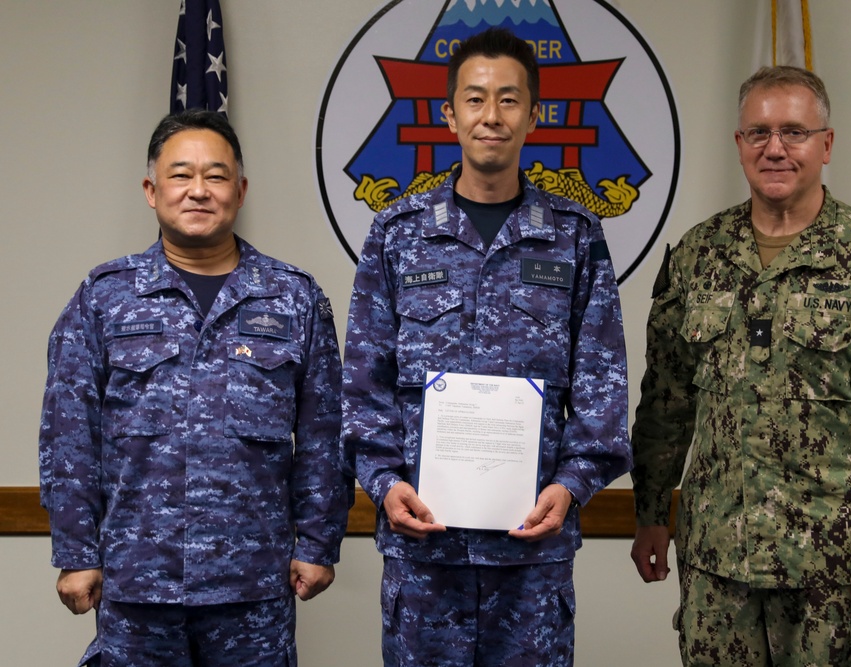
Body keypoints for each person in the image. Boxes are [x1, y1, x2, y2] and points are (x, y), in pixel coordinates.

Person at [629, 65, 851, 666]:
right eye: (757, 133)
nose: (774, 148)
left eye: (793, 132)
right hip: (717, 572)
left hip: (834, 575)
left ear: (826, 145)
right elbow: (666, 402)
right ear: (738, 145)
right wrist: (651, 513)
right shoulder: (699, 254)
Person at [340, 27, 631, 666]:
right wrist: (385, 483)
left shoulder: (575, 238)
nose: (490, 116)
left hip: (531, 552)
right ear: (449, 115)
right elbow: (363, 382)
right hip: (424, 556)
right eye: (475, 100)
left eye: (507, 99)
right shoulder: (397, 235)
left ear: (532, 114)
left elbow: (601, 384)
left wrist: (576, 483)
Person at [38, 109, 352, 666]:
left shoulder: (294, 297)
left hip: (254, 587)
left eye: (216, 175)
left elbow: (325, 435)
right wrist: (76, 551)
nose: (198, 191)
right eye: (181, 175)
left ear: (241, 189)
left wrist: (318, 543)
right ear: (151, 190)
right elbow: (69, 434)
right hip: (137, 583)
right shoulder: (105, 296)